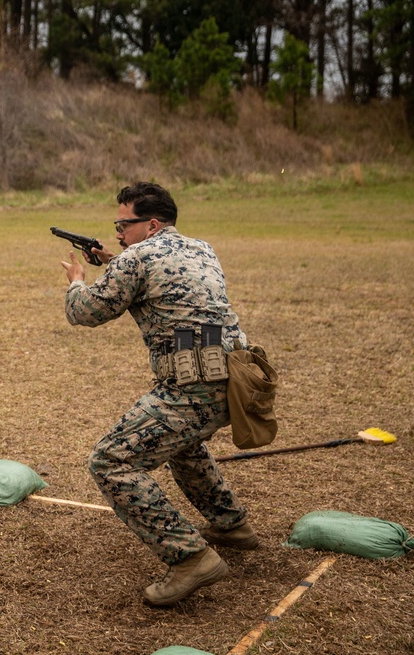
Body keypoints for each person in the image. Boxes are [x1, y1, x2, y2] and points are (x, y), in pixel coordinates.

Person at [59, 182, 258, 607]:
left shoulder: (135, 259)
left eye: (122, 224)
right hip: (238, 379)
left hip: (193, 385)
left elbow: (85, 312)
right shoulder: (201, 248)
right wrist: (115, 262)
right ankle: (230, 524)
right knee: (181, 443)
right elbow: (168, 283)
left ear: (149, 224)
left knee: (110, 461)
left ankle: (191, 558)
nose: (117, 232)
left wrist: (78, 280)